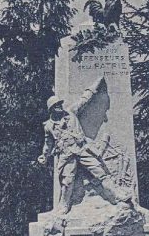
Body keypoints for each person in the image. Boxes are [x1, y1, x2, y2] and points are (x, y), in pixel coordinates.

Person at [37, 77, 132, 216]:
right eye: (56, 105)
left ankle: (118, 196)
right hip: (66, 155)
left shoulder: (71, 112)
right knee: (67, 182)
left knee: (101, 173)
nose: (60, 106)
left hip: (82, 149)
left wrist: (96, 85)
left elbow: (84, 99)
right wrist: (44, 156)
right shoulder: (49, 126)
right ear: (51, 109)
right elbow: (48, 144)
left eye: (60, 104)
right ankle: (64, 205)